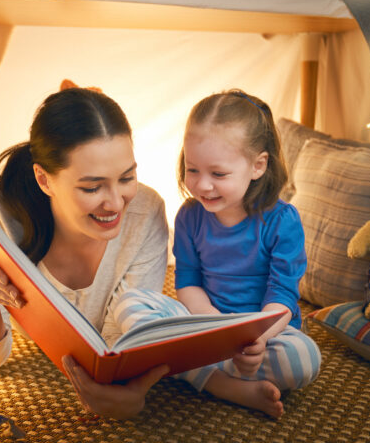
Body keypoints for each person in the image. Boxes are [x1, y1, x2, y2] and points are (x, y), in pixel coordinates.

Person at [0, 87, 170, 419]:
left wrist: (128, 390)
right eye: (92, 187)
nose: (115, 203)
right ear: (44, 179)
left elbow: (123, 344)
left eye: (127, 177)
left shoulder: (146, 212)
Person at [113, 89, 321, 418]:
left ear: (258, 166)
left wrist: (257, 340)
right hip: (204, 323)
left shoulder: (282, 221)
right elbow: (188, 281)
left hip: (264, 333)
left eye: (218, 174)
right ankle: (220, 383)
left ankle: (191, 369)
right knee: (128, 303)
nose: (203, 185)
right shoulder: (189, 216)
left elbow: (282, 296)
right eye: (192, 169)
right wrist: (211, 326)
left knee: (304, 359)